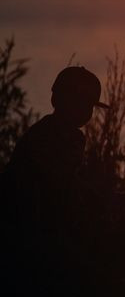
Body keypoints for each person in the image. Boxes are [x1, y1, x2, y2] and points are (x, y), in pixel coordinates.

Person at [2, 66, 109, 269]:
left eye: (89, 106)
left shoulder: (71, 137)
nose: (86, 111)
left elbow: (68, 182)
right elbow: (53, 183)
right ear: (59, 100)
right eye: (82, 103)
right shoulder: (46, 135)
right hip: (26, 222)